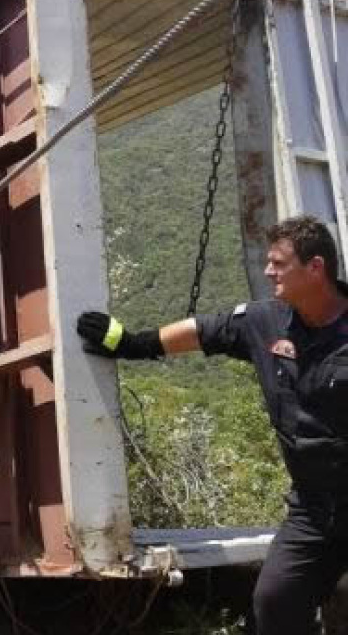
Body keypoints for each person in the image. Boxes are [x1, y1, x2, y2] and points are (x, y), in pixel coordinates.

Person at [77, 215, 348, 635]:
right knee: (274, 604)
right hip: (314, 512)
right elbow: (205, 331)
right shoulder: (267, 322)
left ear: (315, 268)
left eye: (279, 263)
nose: (268, 271)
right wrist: (132, 343)